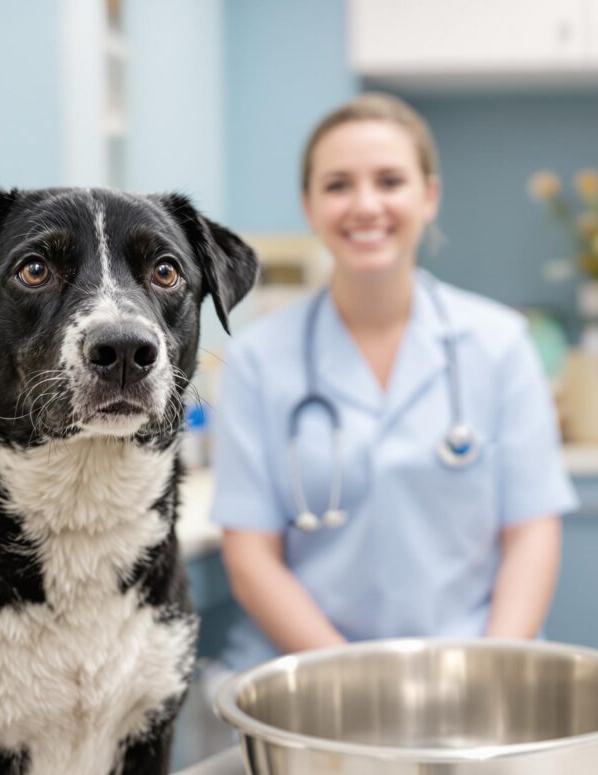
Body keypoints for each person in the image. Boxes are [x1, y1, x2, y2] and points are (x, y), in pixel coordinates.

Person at [208, 92, 578, 676]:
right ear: (308, 206)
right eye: (337, 185)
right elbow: (252, 557)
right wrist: (353, 683)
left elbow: (531, 532)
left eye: (389, 181)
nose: (365, 205)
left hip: (475, 665)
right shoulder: (257, 359)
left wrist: (493, 670)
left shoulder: (500, 343)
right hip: (310, 679)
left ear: (429, 196)